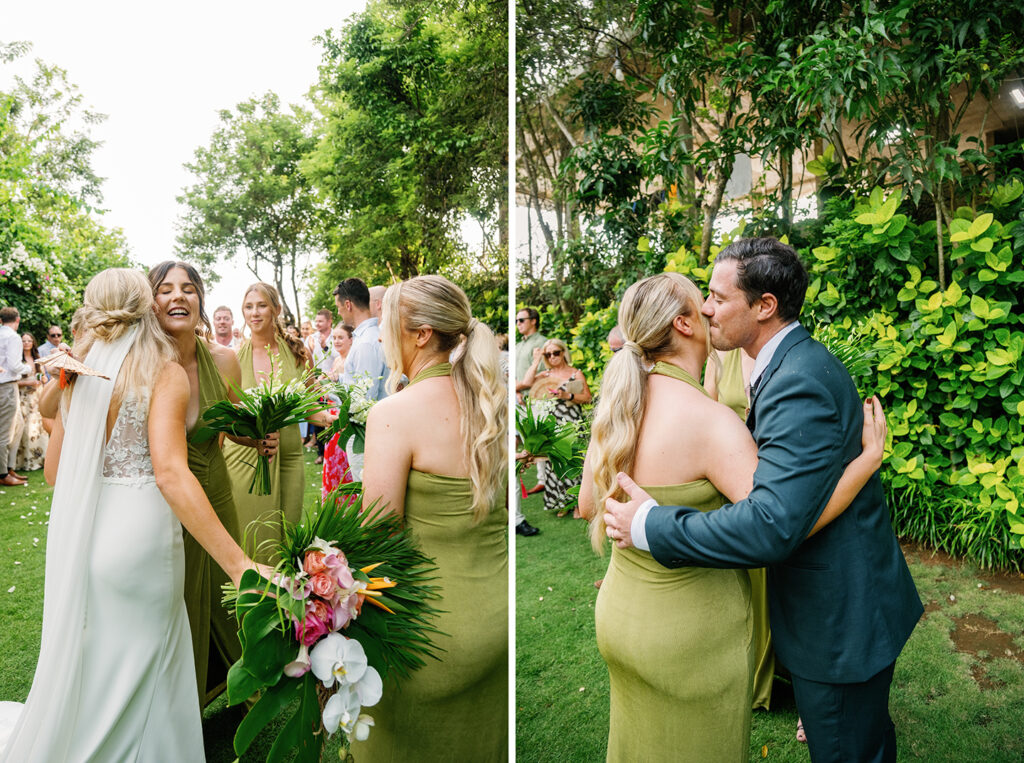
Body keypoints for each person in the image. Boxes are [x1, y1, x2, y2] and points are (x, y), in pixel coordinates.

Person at [603, 238, 923, 763]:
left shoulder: (797, 381)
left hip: (840, 619)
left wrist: (651, 525)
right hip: (829, 610)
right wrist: (863, 465)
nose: (706, 309)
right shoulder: (783, 366)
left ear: (764, 306)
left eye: (717, 297)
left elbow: (771, 525)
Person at [0, 268, 270, 761]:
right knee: (152, 657)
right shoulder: (162, 372)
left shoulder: (75, 375)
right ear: (145, 305)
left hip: (90, 534)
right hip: (143, 537)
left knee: (104, 656)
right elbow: (171, 472)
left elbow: (56, 474)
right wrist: (240, 564)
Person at [356, 275, 507, 762]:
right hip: (496, 621)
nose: (379, 335)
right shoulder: (495, 408)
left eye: (386, 324)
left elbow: (377, 542)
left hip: (425, 637)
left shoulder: (392, 414)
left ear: (420, 334)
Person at [148, 261, 278, 707]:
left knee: (224, 594)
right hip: (159, 498)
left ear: (200, 301)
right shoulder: (142, 362)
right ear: (151, 301)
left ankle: (229, 683)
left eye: (188, 289)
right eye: (165, 290)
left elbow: (232, 424)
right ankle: (172, 698)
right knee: (175, 594)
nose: (177, 297)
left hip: (215, 487)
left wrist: (259, 435)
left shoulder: (222, 359)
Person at [223, 283, 330, 563]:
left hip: (291, 456)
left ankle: (283, 599)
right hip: (246, 458)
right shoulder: (233, 357)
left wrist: (332, 418)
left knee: (288, 535)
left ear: (276, 310)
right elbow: (228, 416)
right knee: (250, 534)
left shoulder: (298, 354)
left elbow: (310, 407)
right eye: (248, 306)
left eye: (261, 305)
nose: (254, 313)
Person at [521, 338, 592, 517]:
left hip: (572, 422)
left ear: (563, 352)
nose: (552, 357)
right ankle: (563, 502)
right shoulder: (545, 375)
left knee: (575, 461)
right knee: (556, 464)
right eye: (548, 354)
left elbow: (587, 398)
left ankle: (578, 504)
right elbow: (526, 383)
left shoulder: (575, 374)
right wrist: (537, 361)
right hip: (552, 423)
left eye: (556, 353)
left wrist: (567, 395)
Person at [334, 278, 387, 479]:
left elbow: (364, 399)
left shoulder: (366, 343)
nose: (339, 312)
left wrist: (333, 391)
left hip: (365, 436)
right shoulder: (366, 337)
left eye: (339, 307)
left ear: (348, 305)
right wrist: (336, 381)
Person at [322, 324, 355, 498]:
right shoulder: (336, 361)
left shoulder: (351, 360)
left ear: (351, 339)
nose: (336, 341)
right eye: (334, 338)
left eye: (340, 337)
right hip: (331, 413)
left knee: (344, 460)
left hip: (344, 415)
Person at [0, 308, 31, 487]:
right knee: (6, 430)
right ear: (17, 320)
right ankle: (3, 473)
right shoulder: (12, 337)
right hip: (6, 386)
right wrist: (28, 369)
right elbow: (14, 365)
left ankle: (9, 467)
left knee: (18, 425)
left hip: (5, 385)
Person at [305, 308, 338, 465]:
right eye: (316, 321)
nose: (317, 324)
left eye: (320, 321)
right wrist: (311, 349)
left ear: (329, 321)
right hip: (316, 382)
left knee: (331, 416)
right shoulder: (311, 338)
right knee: (317, 416)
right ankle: (321, 453)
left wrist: (325, 347)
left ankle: (333, 451)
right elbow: (305, 357)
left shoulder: (336, 335)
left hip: (333, 382)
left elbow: (341, 355)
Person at [15, 334, 47, 472]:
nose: (27, 343)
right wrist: (29, 383)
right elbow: (12, 382)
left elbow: (44, 376)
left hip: (37, 396)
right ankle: (24, 461)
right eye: (24, 341)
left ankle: (39, 459)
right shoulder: (16, 359)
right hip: (23, 398)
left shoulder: (38, 358)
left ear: (33, 342)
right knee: (25, 427)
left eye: (29, 340)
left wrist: (42, 380)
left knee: (38, 427)